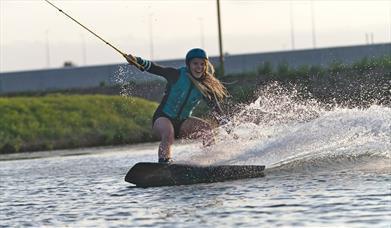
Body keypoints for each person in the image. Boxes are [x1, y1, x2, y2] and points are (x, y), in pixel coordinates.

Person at [126, 48, 228, 164]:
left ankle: (210, 162)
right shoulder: (176, 75)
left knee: (207, 129)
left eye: (202, 64)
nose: (199, 67)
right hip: (163, 118)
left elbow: (216, 108)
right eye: (195, 63)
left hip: (183, 122)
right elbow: (156, 68)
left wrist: (226, 123)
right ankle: (164, 163)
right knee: (168, 133)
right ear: (188, 64)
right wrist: (137, 60)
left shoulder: (205, 87)